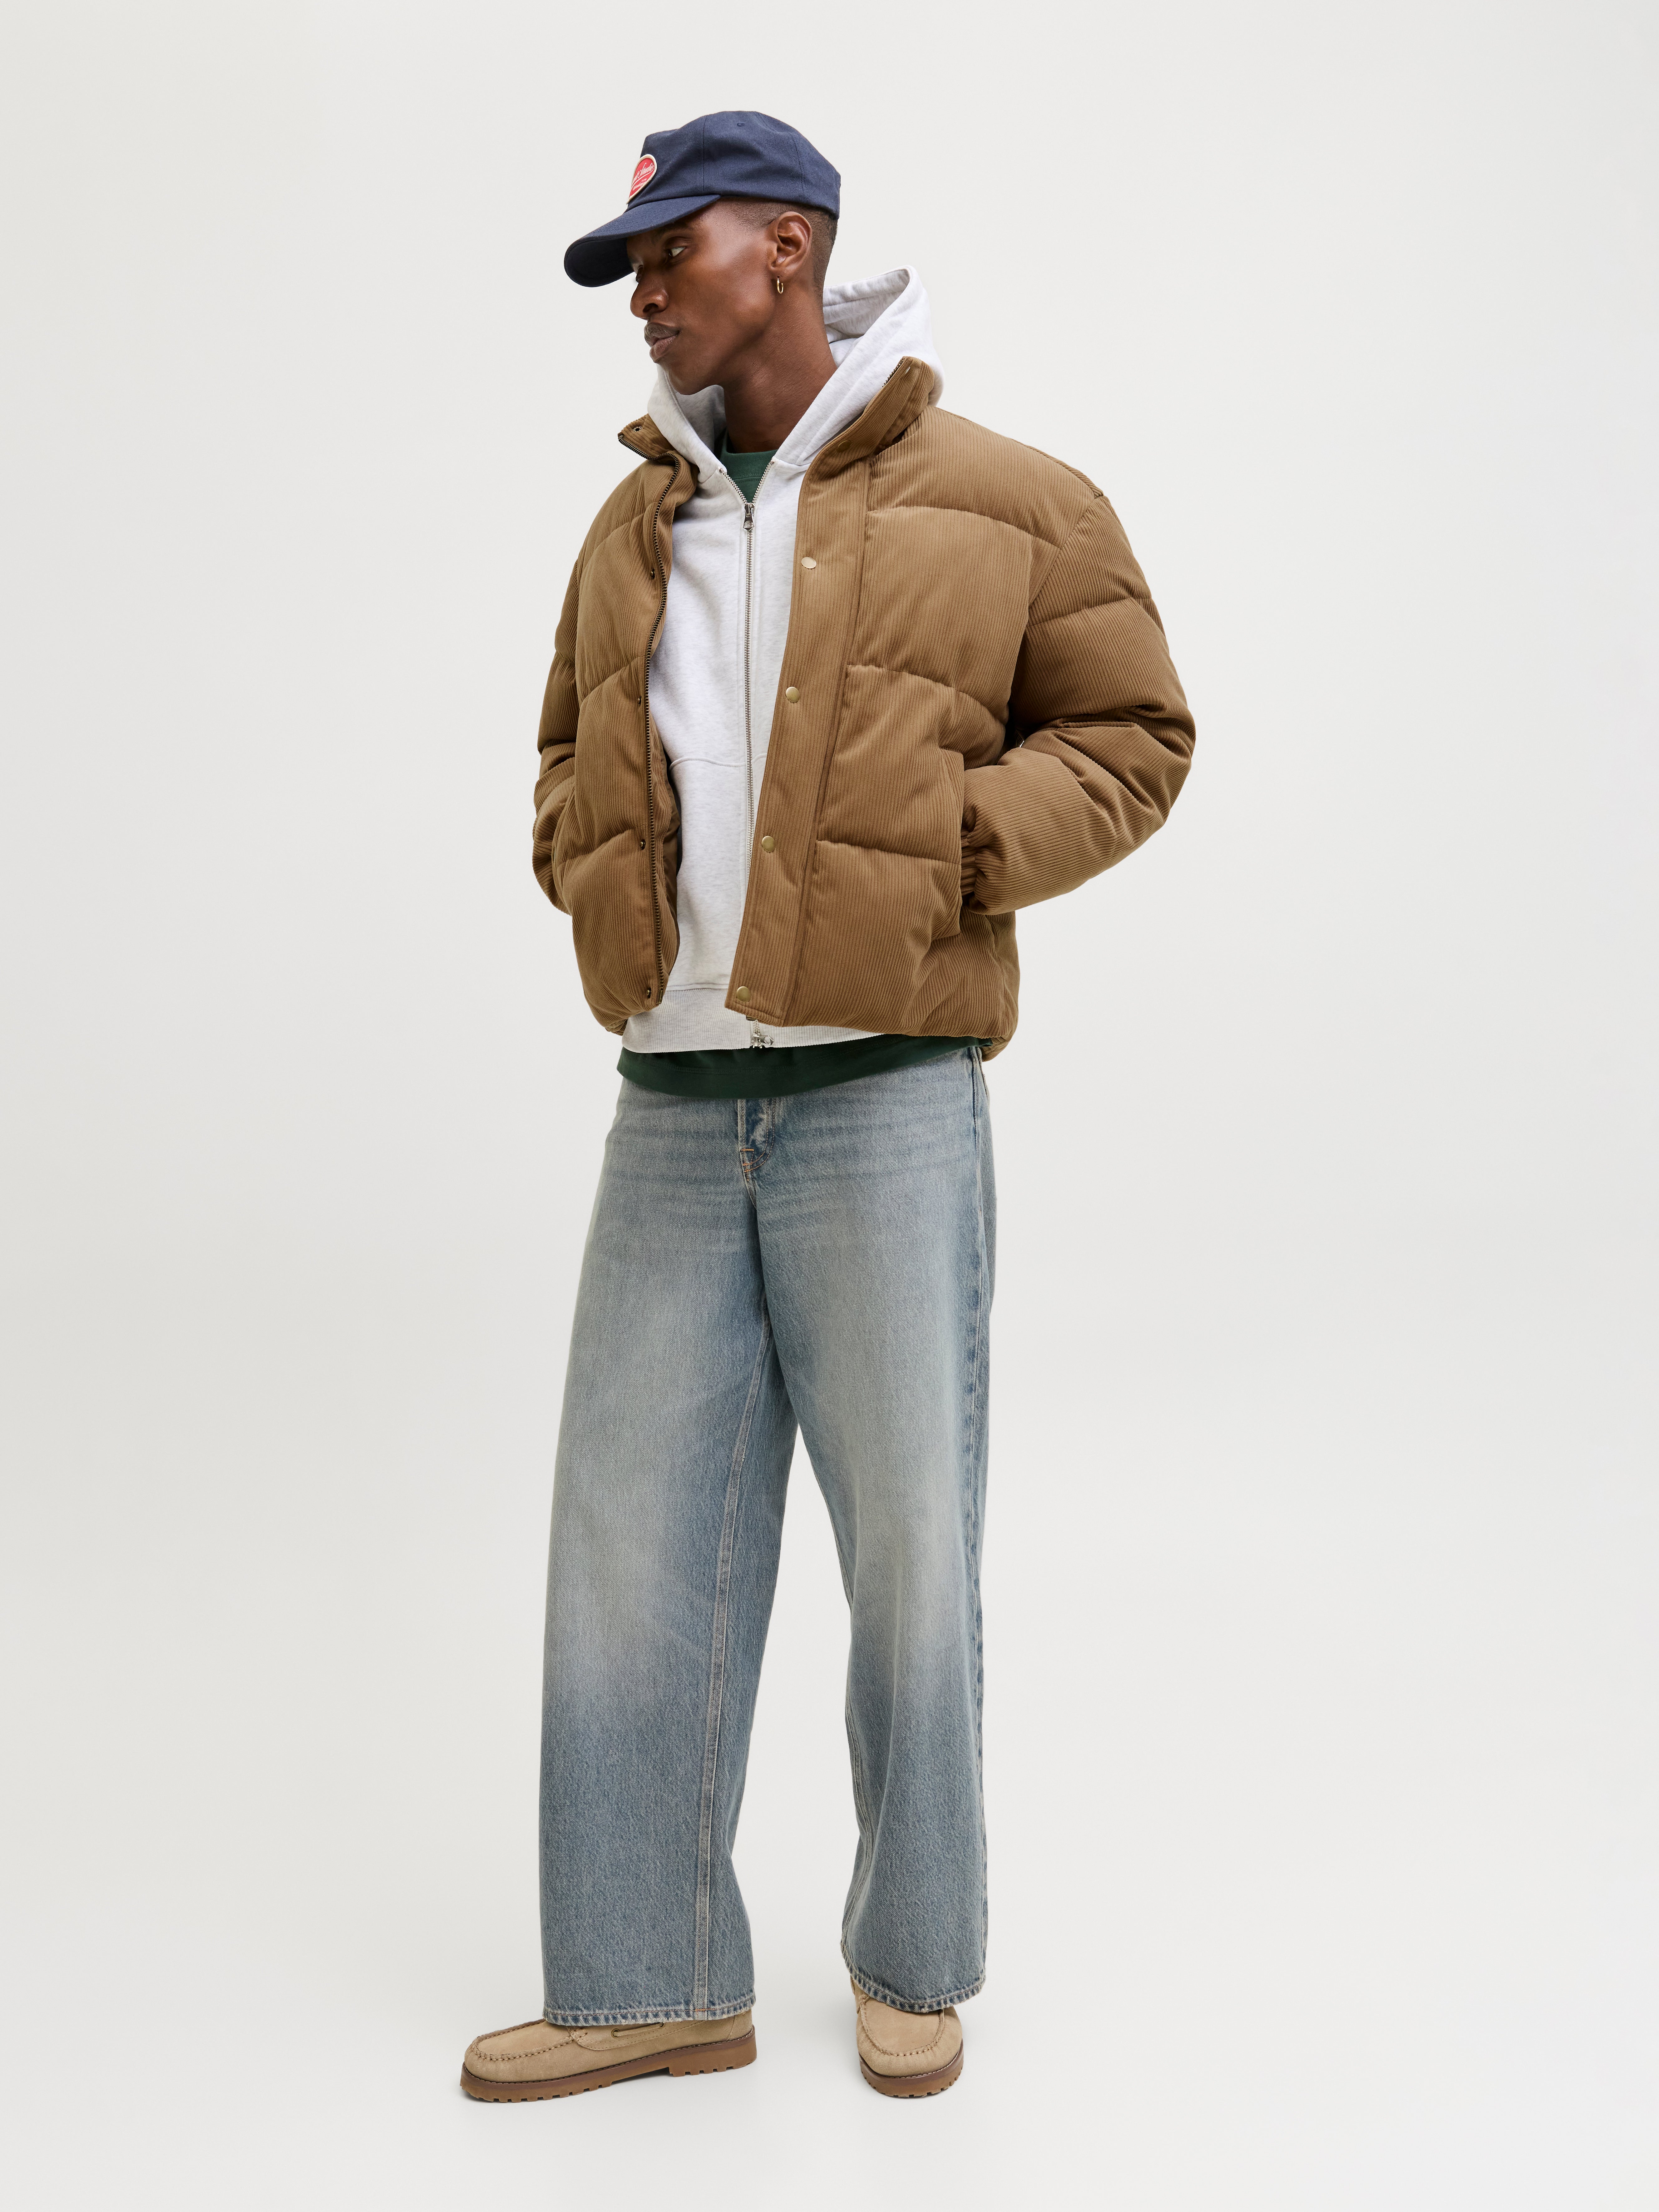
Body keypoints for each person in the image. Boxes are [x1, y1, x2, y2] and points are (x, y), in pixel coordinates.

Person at [461, 110, 1194, 2104]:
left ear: (780, 246)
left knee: (909, 1555)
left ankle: (915, 1959)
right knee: (628, 1552)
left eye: (665, 256)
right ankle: (648, 1980)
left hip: (886, 1099)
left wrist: (949, 847)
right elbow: (567, 754)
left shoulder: (1009, 498)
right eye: (626, 271)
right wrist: (591, 873)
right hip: (671, 1103)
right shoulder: (631, 524)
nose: (640, 299)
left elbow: (1135, 733)